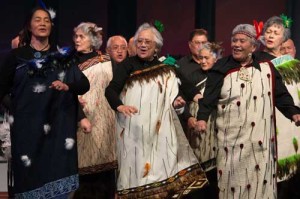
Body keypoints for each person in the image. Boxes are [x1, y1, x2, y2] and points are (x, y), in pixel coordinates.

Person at [195, 23, 300, 199]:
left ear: (253, 45)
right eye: (234, 40)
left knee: (261, 184)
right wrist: (202, 119)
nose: (236, 44)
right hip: (232, 143)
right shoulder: (221, 68)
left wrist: (293, 112)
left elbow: (280, 93)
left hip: (261, 143)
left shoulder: (267, 66)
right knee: (233, 184)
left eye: (242, 40)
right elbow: (208, 99)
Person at [105, 22, 207, 198]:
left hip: (160, 133)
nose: (143, 45)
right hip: (134, 133)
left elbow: (186, 88)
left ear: (157, 47)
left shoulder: (166, 66)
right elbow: (111, 90)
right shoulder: (128, 65)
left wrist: (198, 99)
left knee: (163, 172)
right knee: (137, 175)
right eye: (140, 41)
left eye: (148, 42)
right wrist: (120, 106)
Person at [0, 7, 90, 198]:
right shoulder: (17, 56)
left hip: (57, 131)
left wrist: (68, 87)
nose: (42, 23)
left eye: (47, 20)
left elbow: (83, 84)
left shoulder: (62, 56)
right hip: (27, 135)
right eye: (38, 20)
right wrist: (18, 108)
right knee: (28, 181)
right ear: (29, 26)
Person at [72, 22, 117, 199]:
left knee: (105, 176)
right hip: (81, 119)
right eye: (75, 36)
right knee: (84, 175)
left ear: (92, 40)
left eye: (81, 36)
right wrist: (73, 98)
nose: (76, 40)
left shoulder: (105, 61)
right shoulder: (70, 62)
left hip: (105, 124)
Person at [259, 16, 300, 199]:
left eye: (276, 33)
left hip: (292, 124)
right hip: (266, 124)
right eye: (268, 31)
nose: (271, 35)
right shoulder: (256, 61)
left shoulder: (293, 66)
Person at [185, 42, 223, 199]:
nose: (203, 61)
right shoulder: (193, 76)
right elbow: (183, 100)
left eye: (206, 58)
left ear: (216, 58)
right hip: (195, 133)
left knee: (214, 176)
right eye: (200, 58)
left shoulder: (222, 76)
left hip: (215, 128)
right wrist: (189, 117)